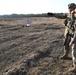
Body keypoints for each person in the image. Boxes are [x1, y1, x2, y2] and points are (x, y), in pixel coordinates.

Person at [60, 3, 76, 72]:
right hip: (69, 33)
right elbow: (62, 17)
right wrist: (53, 14)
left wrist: (73, 41)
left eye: (71, 8)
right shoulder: (68, 14)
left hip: (74, 35)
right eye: (69, 8)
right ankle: (66, 54)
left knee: (74, 50)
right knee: (66, 44)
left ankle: (75, 66)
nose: (70, 9)